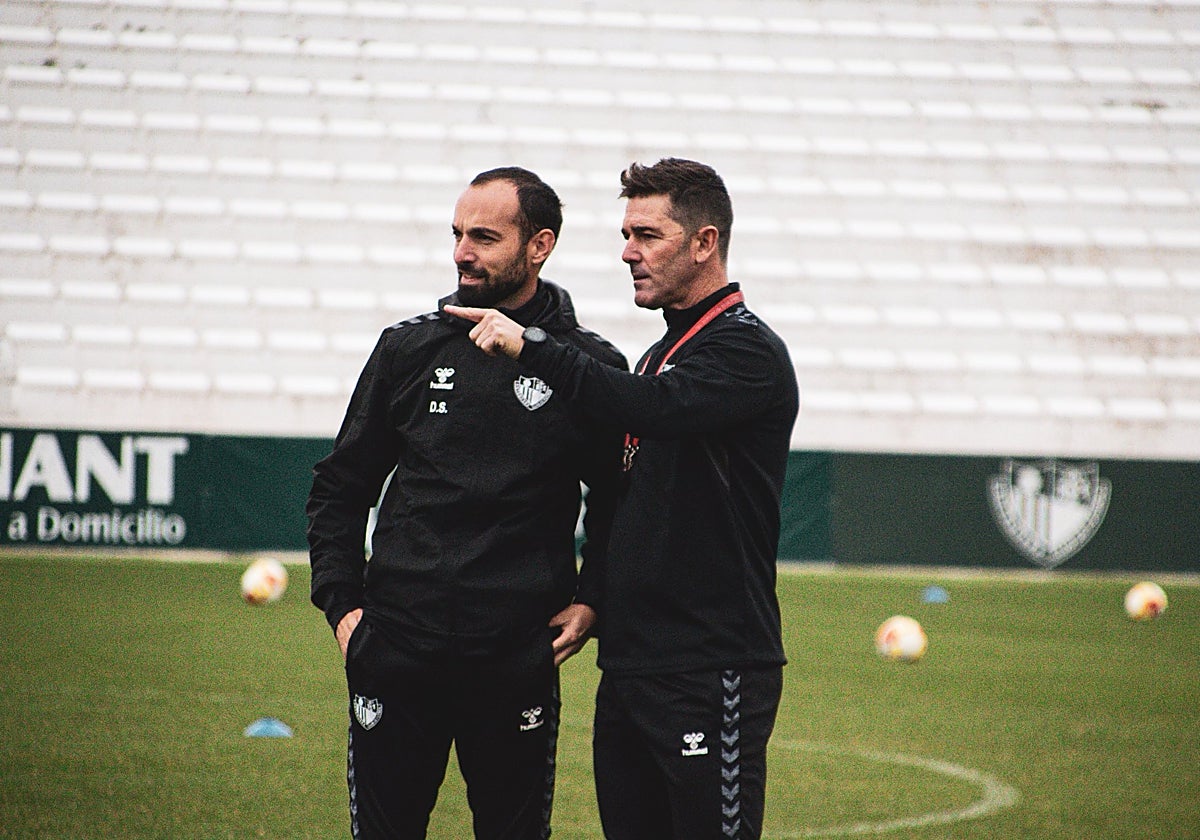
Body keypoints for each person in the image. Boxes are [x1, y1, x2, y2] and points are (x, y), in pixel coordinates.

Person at [446, 157, 800, 840]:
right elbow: (629, 500)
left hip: (710, 663)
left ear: (705, 243)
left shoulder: (745, 351)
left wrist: (534, 347)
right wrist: (594, 598)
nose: (627, 252)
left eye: (647, 234)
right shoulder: (661, 353)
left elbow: (655, 408)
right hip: (633, 666)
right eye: (625, 233)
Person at [306, 166, 627, 840]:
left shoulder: (587, 365)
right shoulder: (410, 348)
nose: (461, 252)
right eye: (457, 234)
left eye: (484, 236)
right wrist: (343, 608)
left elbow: (618, 501)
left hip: (516, 658)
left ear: (539, 245)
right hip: (395, 648)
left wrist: (593, 596)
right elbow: (341, 486)